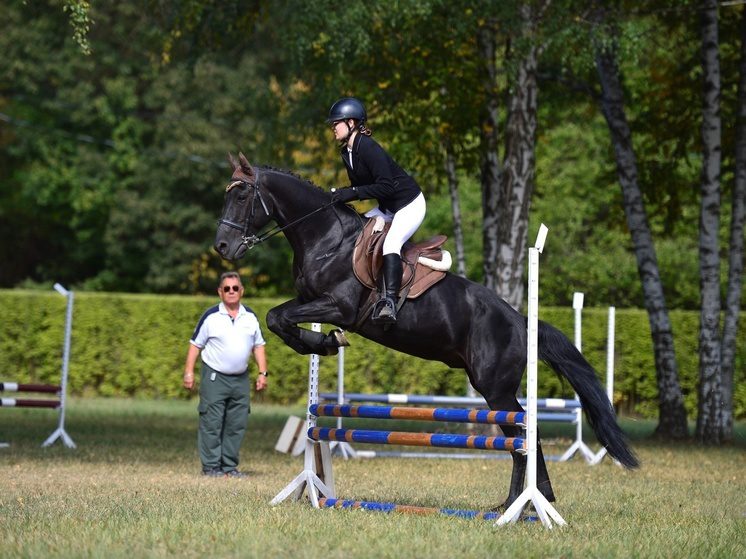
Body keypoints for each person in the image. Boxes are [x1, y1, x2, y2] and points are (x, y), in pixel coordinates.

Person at [327, 96, 426, 324]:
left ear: (352, 123)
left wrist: (350, 193)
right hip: (388, 207)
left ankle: (389, 302)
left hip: (409, 204)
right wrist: (340, 195)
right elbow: (362, 187)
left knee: (391, 244)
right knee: (357, 230)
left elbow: (385, 185)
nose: (333, 127)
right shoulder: (348, 153)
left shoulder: (368, 147)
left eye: (336, 123)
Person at [183, 271, 268, 477]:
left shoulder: (250, 317)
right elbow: (195, 345)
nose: (231, 292)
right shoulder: (211, 316)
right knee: (211, 422)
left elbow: (259, 346)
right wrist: (188, 372)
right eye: (227, 288)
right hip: (215, 377)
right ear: (220, 292)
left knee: (236, 424)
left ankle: (229, 466)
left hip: (240, 378)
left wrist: (263, 373)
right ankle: (211, 467)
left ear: (242, 291)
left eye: (235, 288)